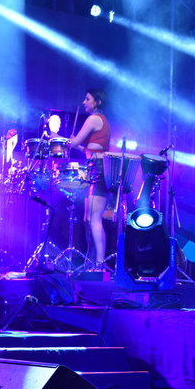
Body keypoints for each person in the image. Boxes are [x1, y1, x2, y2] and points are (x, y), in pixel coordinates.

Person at [66, 89, 110, 267]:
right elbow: (87, 148)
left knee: (94, 218)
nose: (84, 102)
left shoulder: (94, 119)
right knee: (88, 218)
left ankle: (99, 264)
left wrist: (56, 137)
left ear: (97, 102)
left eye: (87, 99)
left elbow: (74, 143)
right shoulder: (101, 120)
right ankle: (91, 262)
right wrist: (73, 142)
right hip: (95, 167)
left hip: (98, 168)